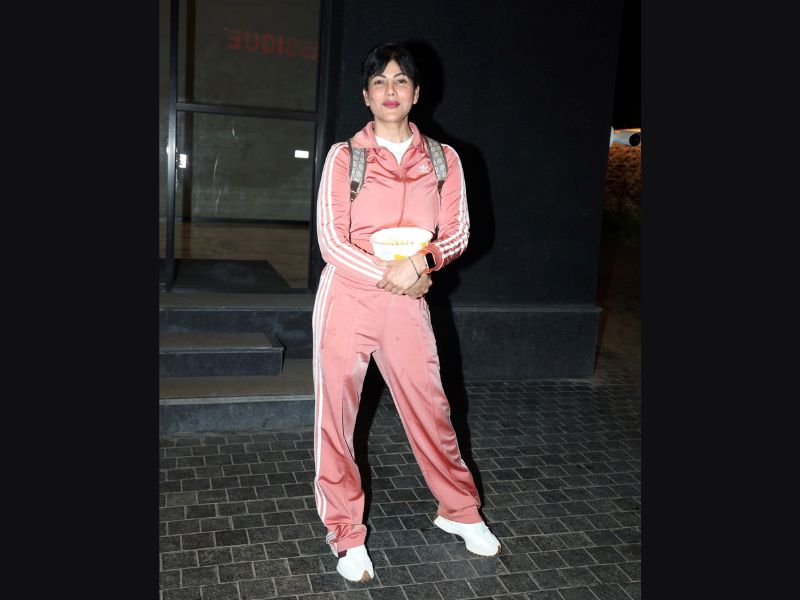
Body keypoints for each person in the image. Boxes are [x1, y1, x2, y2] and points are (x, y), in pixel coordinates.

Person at [312, 42, 501, 583]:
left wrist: (423, 261)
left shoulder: (443, 160)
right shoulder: (345, 157)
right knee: (336, 420)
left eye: (400, 81)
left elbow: (458, 232)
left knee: (432, 409)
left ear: (416, 93)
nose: (389, 90)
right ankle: (345, 533)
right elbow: (331, 240)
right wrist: (391, 273)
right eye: (379, 82)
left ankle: (458, 510)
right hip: (348, 297)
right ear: (366, 96)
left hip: (410, 296)